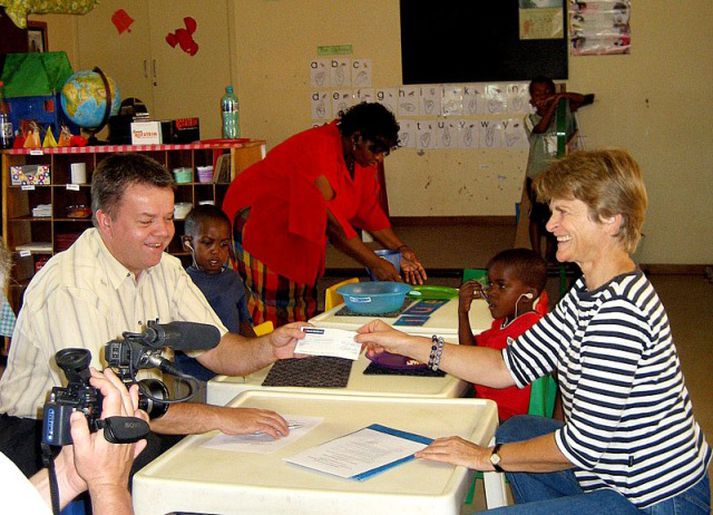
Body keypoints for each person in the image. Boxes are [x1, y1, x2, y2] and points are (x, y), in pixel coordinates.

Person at [357, 150, 711, 512]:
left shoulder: (618, 313)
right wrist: (404, 342)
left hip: (651, 499)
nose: (550, 225)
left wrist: (488, 458)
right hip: (608, 472)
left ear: (609, 220)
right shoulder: (589, 292)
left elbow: (582, 445)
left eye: (563, 212)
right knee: (517, 428)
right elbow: (504, 366)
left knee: (507, 448)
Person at [0, 153, 307, 477]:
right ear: (106, 221)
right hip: (45, 435)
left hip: (138, 415)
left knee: (235, 464)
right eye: (146, 221)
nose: (163, 233)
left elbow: (217, 348)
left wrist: (270, 347)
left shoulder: (164, 267)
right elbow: (108, 407)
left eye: (168, 218)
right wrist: (219, 417)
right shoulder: (72, 287)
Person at [222, 102, 428, 326]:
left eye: (384, 152)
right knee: (273, 304)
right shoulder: (317, 149)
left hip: (296, 224)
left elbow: (368, 210)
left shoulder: (361, 161)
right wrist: (375, 262)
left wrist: (401, 248)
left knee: (299, 300)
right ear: (356, 138)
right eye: (376, 150)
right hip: (260, 217)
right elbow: (334, 226)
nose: (379, 158)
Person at [458, 248, 547, 422]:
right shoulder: (504, 323)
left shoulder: (529, 331)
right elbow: (470, 353)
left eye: (502, 286)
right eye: (490, 284)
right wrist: (463, 312)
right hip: (488, 408)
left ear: (528, 295)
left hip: (503, 419)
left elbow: (472, 366)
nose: (491, 292)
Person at [176, 204, 256, 382]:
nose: (216, 251)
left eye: (224, 245)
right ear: (187, 243)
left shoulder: (233, 280)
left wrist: (257, 354)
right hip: (192, 375)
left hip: (231, 369)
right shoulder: (181, 283)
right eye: (207, 243)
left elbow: (243, 323)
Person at [521, 76, 594, 260]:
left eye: (548, 93)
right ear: (532, 100)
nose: (543, 97)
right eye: (538, 94)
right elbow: (541, 129)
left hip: (560, 177)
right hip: (537, 177)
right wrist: (554, 103)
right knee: (537, 217)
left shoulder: (565, 115)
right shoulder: (530, 119)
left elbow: (587, 99)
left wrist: (560, 98)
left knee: (559, 214)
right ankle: (537, 256)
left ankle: (552, 253)